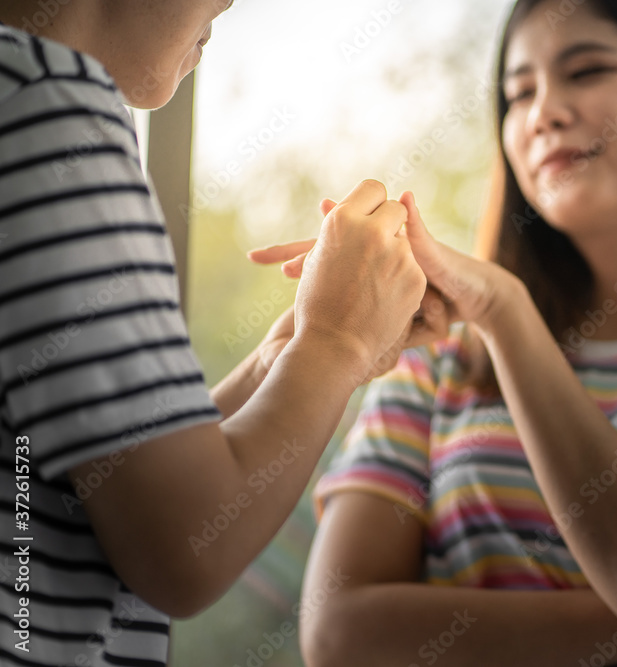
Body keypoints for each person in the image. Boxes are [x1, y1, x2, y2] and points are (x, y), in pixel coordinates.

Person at [260, 0, 617, 664]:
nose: (544, 111)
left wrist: (507, 315)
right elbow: (339, 633)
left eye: (588, 70)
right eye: (519, 93)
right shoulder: (435, 361)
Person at [0, 1, 430, 665]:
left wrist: (283, 357)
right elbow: (185, 543)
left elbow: (120, 472)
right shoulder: (52, 113)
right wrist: (336, 343)